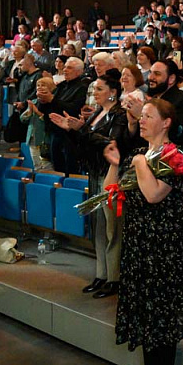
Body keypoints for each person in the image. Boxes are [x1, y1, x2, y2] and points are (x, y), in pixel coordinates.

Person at [106, 99, 183, 365]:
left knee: (163, 317)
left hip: (167, 246)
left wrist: (138, 163)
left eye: (149, 116)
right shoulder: (140, 156)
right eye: (141, 115)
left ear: (166, 122)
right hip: (141, 244)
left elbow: (153, 194)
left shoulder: (176, 156)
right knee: (147, 314)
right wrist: (116, 163)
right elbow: (112, 191)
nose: (141, 120)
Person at [52, 71, 128, 299]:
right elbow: (85, 145)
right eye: (93, 89)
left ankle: (114, 277)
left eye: (99, 89)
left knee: (112, 227)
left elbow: (111, 143)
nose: (94, 93)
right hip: (94, 172)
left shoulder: (119, 115)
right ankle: (101, 273)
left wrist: (81, 129)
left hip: (111, 174)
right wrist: (72, 132)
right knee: (98, 225)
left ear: (113, 93)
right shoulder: (96, 113)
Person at [37, 57, 90, 173]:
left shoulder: (82, 88)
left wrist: (51, 99)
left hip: (70, 136)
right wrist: (42, 100)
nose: (65, 70)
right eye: (65, 67)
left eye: (69, 68)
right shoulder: (61, 86)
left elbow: (73, 109)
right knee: (57, 168)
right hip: (55, 133)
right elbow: (45, 110)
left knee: (70, 170)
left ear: (79, 71)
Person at [20, 76, 56, 170]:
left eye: (43, 85)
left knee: (47, 166)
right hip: (33, 138)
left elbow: (51, 120)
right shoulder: (34, 102)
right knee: (37, 166)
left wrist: (37, 112)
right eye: (38, 85)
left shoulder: (53, 103)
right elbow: (23, 119)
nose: (39, 87)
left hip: (45, 139)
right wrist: (30, 112)